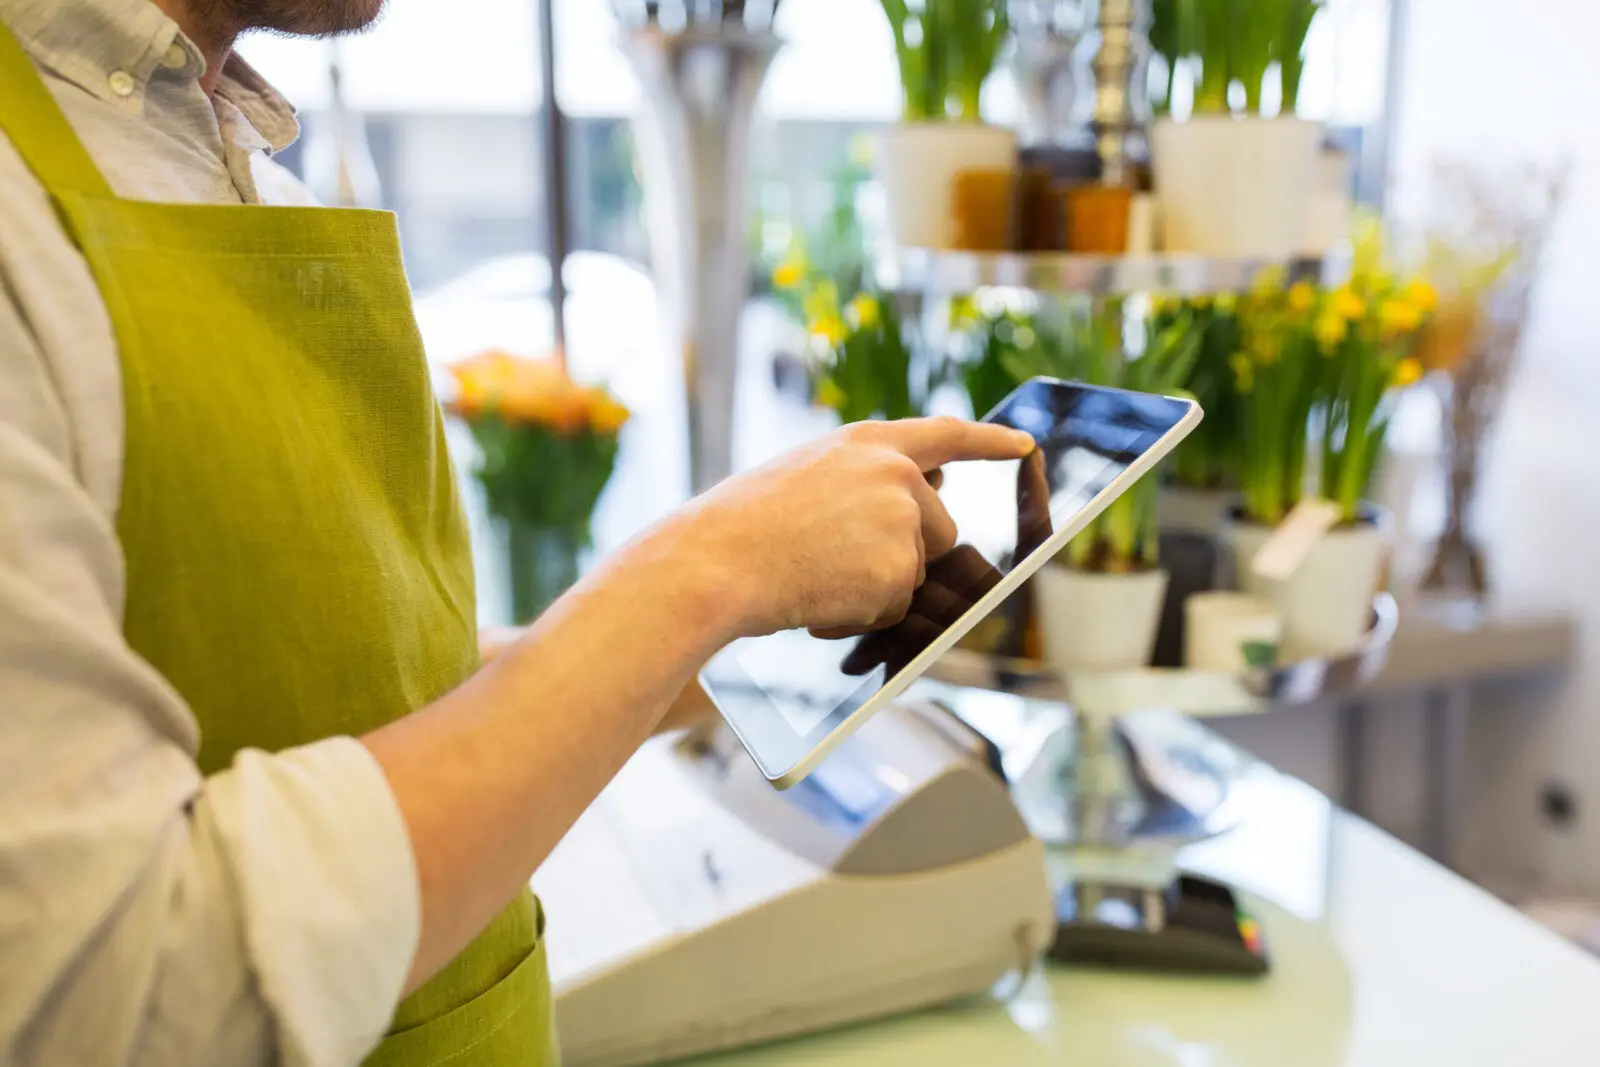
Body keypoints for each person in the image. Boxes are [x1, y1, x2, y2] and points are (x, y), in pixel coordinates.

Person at [0, 0, 1038, 1064]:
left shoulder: (241, 165)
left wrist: (755, 605)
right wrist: (708, 563)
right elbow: (111, 975)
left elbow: (380, 682)